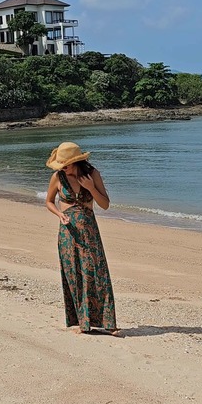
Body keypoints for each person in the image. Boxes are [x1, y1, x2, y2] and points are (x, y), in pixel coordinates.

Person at [44, 142, 120, 336]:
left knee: (97, 273)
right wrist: (59, 215)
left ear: (76, 161)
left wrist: (91, 188)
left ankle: (108, 323)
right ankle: (81, 322)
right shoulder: (57, 177)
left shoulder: (92, 175)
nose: (63, 168)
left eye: (66, 164)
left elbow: (105, 204)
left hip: (89, 232)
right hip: (68, 233)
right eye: (61, 165)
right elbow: (49, 202)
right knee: (74, 275)